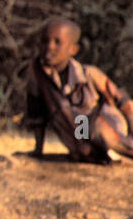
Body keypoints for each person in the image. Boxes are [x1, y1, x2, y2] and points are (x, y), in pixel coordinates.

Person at [25, 18, 133, 161]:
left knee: (98, 129)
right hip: (78, 139)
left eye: (57, 42)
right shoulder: (38, 75)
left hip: (107, 128)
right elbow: (36, 113)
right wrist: (38, 149)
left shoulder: (88, 74)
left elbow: (124, 102)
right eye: (45, 41)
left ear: (73, 49)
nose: (50, 47)